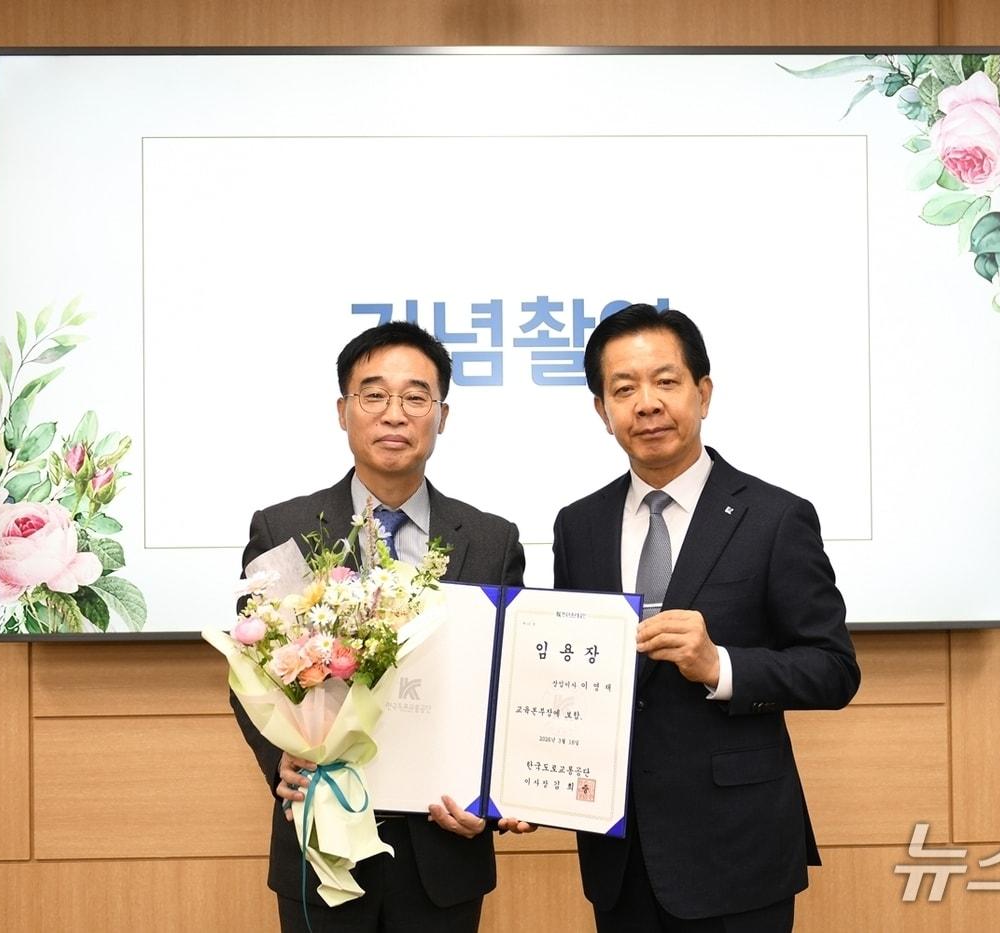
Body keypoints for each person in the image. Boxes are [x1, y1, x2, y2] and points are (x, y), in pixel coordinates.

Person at [553, 304, 861, 932]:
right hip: (621, 850)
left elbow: (833, 670)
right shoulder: (577, 525)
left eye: (666, 382)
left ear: (703, 392)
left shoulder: (775, 517)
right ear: (601, 410)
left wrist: (719, 665)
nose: (646, 404)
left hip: (737, 847)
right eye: (623, 389)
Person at [230, 321, 533, 933]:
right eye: (374, 395)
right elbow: (250, 667)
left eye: (416, 397)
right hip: (320, 839)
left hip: (444, 846)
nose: (395, 413)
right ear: (344, 410)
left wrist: (495, 795)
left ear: (441, 415)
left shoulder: (492, 540)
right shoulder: (281, 528)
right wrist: (279, 761)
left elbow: (511, 683)